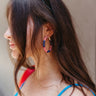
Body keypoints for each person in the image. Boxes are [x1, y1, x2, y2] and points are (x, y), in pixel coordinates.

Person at [4, 0, 96, 96]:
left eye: (16, 26)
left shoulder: (76, 94)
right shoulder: (26, 77)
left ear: (48, 29)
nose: (6, 34)